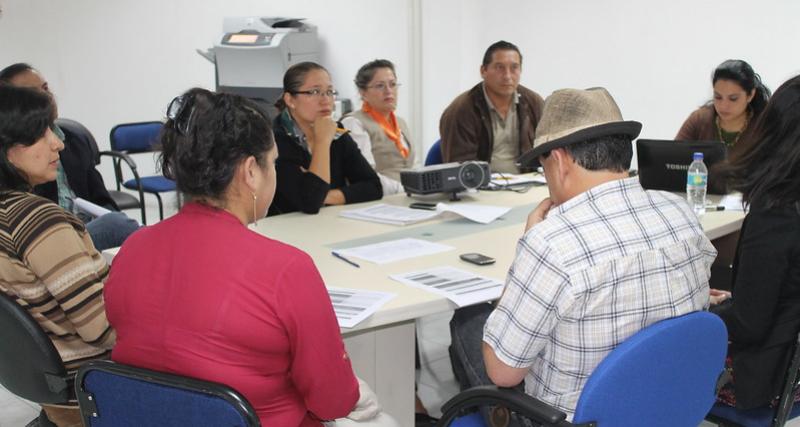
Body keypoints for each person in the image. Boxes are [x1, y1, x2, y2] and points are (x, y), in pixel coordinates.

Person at [104, 88, 397, 427]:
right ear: (250, 172)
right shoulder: (286, 268)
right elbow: (332, 399)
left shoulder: (132, 249)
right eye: (272, 163)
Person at [449, 87, 715, 421]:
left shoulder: (550, 242)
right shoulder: (681, 213)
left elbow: (503, 373)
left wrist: (527, 246)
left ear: (558, 160)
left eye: (543, 167)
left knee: (469, 321)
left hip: (573, 419)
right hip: (667, 407)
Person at [0, 85, 115, 427]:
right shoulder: (39, 221)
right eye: (40, 134)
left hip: (44, 379)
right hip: (89, 380)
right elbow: (102, 329)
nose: (58, 143)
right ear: (6, 149)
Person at [709, 74, 800, 410]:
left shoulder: (777, 214)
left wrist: (696, 309)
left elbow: (749, 326)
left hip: (768, 380)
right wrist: (739, 299)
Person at [0, 63, 139, 250]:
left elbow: (100, 196)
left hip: (84, 226)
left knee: (120, 224)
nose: (47, 97)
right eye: (33, 93)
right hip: (51, 235)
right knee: (120, 226)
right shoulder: (21, 155)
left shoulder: (74, 138)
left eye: (46, 88)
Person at [270, 61, 382, 215]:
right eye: (315, 92)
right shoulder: (274, 140)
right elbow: (310, 203)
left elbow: (373, 187)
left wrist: (323, 195)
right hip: (287, 230)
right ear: (290, 100)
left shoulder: (336, 131)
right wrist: (323, 142)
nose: (325, 100)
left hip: (330, 225)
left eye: (329, 92)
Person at [439, 41, 544, 173]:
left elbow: (548, 152)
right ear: (483, 71)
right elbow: (460, 167)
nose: (507, 76)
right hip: (483, 189)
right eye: (499, 67)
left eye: (514, 68)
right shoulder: (461, 110)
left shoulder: (533, 103)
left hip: (528, 185)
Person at [341, 59, 415, 195]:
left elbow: (409, 166)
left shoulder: (400, 122)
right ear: (363, 92)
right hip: (379, 198)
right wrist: (404, 189)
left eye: (393, 84)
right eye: (380, 86)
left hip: (407, 196)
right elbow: (365, 175)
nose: (388, 91)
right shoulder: (354, 122)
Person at [676, 59, 771, 147]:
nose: (723, 106)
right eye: (718, 97)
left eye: (733, 99)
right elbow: (673, 158)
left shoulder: (764, 125)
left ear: (750, 95)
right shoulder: (700, 120)